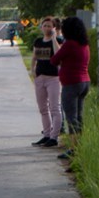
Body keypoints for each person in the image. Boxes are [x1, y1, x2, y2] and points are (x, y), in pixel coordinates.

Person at [52, 16, 92, 160]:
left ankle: (74, 149)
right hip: (84, 82)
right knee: (79, 116)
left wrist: (55, 41)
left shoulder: (69, 44)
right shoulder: (84, 44)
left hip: (71, 84)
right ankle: (80, 146)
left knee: (71, 118)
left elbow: (54, 60)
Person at [30, 17, 63, 148]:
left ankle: (54, 137)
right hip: (40, 78)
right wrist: (33, 70)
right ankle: (47, 134)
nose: (47, 28)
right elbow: (34, 57)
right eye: (45, 26)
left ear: (54, 28)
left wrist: (54, 38)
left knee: (54, 108)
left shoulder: (58, 41)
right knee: (43, 108)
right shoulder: (38, 41)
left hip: (53, 78)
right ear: (41, 27)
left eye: (50, 26)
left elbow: (58, 55)